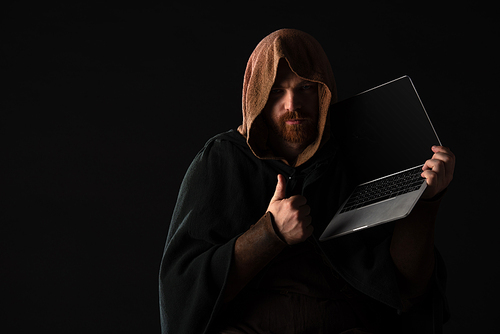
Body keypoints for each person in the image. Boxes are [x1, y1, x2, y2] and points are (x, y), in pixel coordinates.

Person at [159, 29, 455, 333]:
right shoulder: (222, 161)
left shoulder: (353, 157)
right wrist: (270, 232)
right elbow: (181, 290)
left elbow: (408, 290)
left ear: (323, 92)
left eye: (305, 88)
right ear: (256, 94)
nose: (292, 104)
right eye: (277, 91)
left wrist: (425, 202)